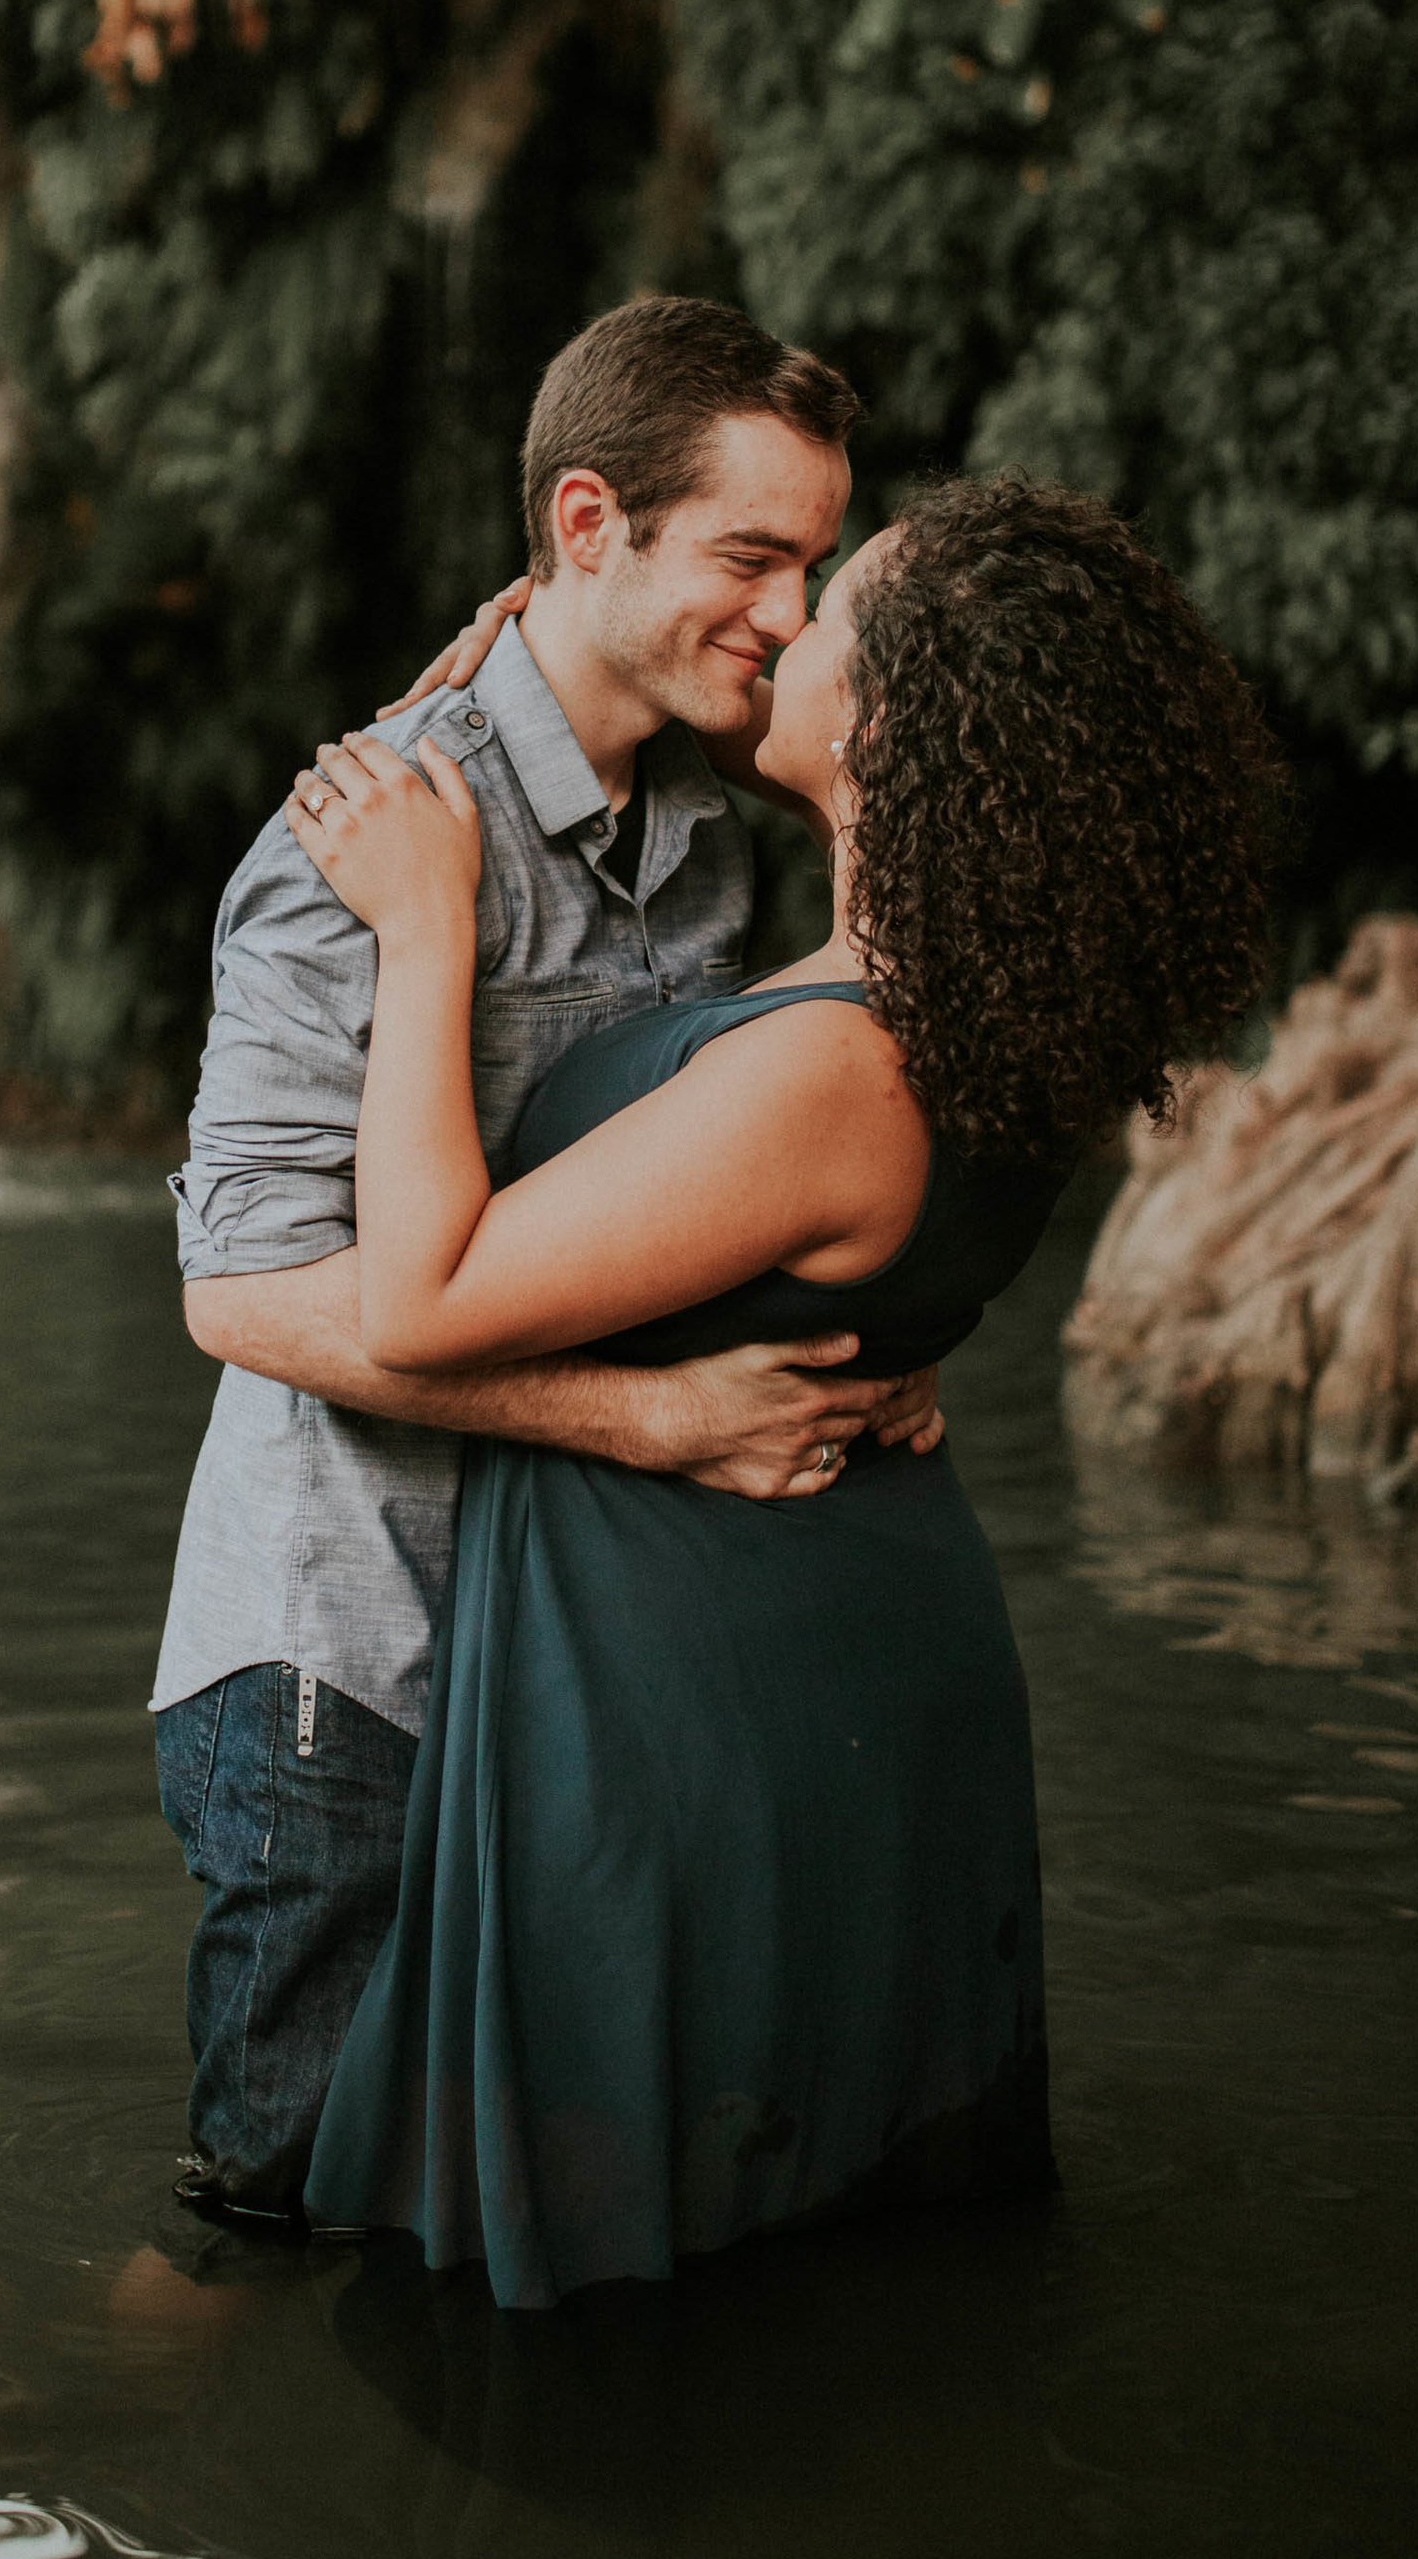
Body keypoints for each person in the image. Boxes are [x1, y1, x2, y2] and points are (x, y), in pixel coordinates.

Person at [282, 474, 1281, 2307]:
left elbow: (421, 1301)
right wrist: (531, 664)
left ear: (889, 718)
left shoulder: (841, 1067)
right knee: (827, 2245)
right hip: (846, 1622)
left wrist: (428, 927)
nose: (785, 624)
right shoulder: (990, 1020)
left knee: (634, 2237)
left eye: (830, 610)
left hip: (688, 1671)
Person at [158, 296, 951, 2231]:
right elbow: (237, 1293)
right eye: (750, 556)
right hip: (345, 1658)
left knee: (506, 2196)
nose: (786, 610)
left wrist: (868, 1337)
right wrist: (652, 1420)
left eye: (813, 565)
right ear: (588, 524)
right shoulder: (361, 840)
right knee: (286, 2208)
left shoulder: (707, 813)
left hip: (567, 1652)